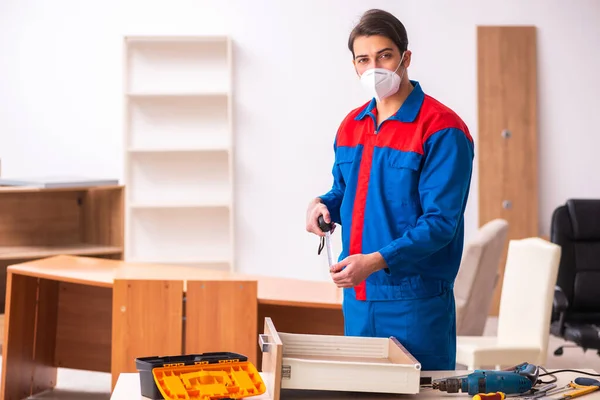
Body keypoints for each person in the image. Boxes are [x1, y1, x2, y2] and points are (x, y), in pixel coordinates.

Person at [305, 8, 474, 371]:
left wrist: (376, 262)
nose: (374, 67)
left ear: (405, 58)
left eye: (384, 55)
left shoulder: (442, 129)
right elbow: (346, 192)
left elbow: (440, 223)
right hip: (359, 300)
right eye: (364, 59)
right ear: (354, 66)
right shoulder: (351, 126)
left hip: (415, 303)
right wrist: (322, 206)